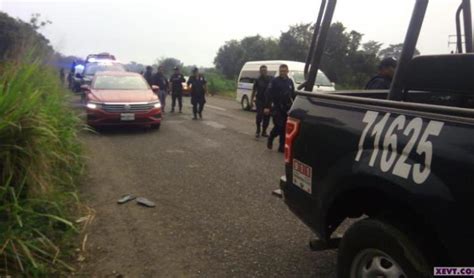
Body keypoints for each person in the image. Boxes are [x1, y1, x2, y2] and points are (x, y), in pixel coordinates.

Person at [264, 64, 295, 153]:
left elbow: (292, 95)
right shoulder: (274, 81)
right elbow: (268, 94)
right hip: (276, 107)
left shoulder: (290, 82)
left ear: (287, 71)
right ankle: (271, 137)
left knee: (285, 128)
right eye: (281, 71)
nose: (283, 72)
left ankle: (281, 146)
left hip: (286, 108)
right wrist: (267, 106)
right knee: (279, 126)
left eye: (284, 71)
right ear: (279, 71)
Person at [251, 65, 272, 138]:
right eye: (262, 70)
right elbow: (254, 90)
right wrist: (251, 100)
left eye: (265, 70)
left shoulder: (270, 79)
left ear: (267, 71)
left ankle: (264, 131)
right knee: (259, 115)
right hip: (259, 100)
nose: (264, 71)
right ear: (260, 71)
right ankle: (258, 130)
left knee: (267, 117)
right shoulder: (257, 80)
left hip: (268, 101)